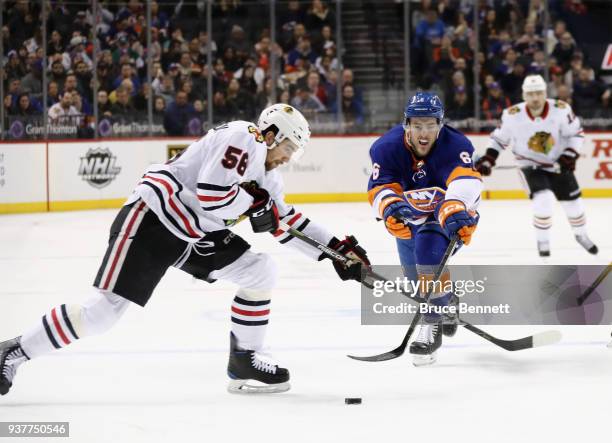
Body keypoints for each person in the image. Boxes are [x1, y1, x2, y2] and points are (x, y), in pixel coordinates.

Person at [0, 104, 370, 396]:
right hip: (154, 219)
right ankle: (13, 351)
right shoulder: (246, 137)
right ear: (272, 135)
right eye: (289, 147)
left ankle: (244, 359)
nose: (289, 157)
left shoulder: (268, 177)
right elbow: (211, 194)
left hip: (192, 235)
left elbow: (283, 221)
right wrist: (252, 202)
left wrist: (336, 251)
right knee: (102, 314)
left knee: (260, 271)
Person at [367, 92, 482, 366]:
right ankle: (447, 299)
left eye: (431, 124)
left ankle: (431, 327)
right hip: (412, 217)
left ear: (440, 124)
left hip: (448, 214)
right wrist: (389, 208)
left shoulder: (457, 145)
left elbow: (466, 182)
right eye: (417, 124)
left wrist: (455, 207)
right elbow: (380, 186)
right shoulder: (386, 147)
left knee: (428, 253)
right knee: (418, 280)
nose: (424, 132)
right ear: (406, 124)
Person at [475, 75, 598, 257]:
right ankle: (543, 240)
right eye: (531, 94)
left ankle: (581, 235)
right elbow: (499, 140)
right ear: (524, 95)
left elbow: (576, 134)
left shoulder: (561, 110)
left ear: (545, 93)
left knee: (575, 204)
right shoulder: (512, 115)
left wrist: (569, 155)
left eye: (539, 93)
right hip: (528, 165)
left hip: (558, 163)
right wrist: (488, 159)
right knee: (544, 200)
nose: (535, 98)